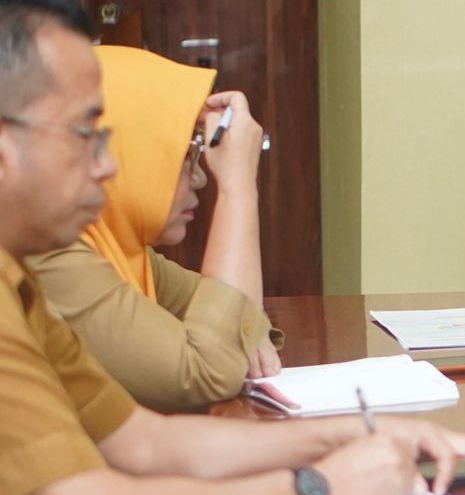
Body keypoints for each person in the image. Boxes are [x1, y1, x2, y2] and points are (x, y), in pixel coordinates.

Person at [0, 0, 465, 495]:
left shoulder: (19, 278)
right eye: (84, 134)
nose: (109, 164)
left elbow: (147, 443)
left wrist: (357, 435)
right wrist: (319, 489)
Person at [29, 46, 279, 411]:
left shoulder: (121, 251)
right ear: (121, 152)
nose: (200, 178)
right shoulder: (50, 255)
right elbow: (209, 370)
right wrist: (238, 186)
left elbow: (239, 318)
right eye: (184, 155)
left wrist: (238, 331)